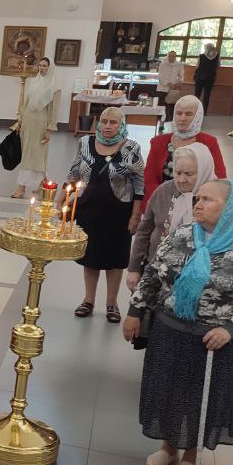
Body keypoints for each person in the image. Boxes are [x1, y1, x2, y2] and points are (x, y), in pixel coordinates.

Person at [123, 180, 233, 465]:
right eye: (199, 198)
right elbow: (153, 274)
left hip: (214, 341)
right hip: (171, 330)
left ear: (230, 208)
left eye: (209, 200)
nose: (199, 204)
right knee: (167, 390)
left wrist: (231, 329)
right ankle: (168, 446)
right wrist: (134, 311)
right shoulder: (181, 236)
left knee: (198, 398)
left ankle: (192, 455)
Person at [66, 106, 145, 323]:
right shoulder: (85, 143)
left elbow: (139, 184)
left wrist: (135, 215)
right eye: (104, 121)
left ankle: (112, 304)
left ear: (122, 125)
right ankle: (88, 300)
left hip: (119, 211)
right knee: (90, 258)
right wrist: (62, 200)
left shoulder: (131, 148)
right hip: (88, 208)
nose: (108, 126)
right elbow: (74, 173)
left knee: (114, 260)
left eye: (113, 122)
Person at [127, 143, 216, 292]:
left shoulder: (215, 198)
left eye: (188, 174)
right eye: (177, 172)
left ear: (203, 171)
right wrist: (134, 269)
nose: (181, 180)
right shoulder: (163, 191)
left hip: (198, 277)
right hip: (156, 269)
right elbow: (144, 231)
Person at [143, 95, 227, 202]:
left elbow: (219, 177)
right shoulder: (158, 142)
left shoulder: (209, 142)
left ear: (198, 116)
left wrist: (196, 202)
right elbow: (150, 176)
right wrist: (160, 199)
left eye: (189, 114)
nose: (182, 118)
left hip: (196, 202)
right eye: (179, 113)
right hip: (161, 199)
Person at [11, 57, 62, 198]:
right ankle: (37, 184)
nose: (42, 68)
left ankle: (24, 186)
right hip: (28, 123)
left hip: (41, 125)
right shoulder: (34, 82)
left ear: (50, 68)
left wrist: (50, 129)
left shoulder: (55, 86)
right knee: (27, 154)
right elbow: (25, 103)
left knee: (39, 156)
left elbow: (54, 110)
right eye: (40, 65)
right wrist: (20, 120)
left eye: (45, 66)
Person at [157, 49, 186, 118]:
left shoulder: (179, 64)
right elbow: (160, 76)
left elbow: (181, 75)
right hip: (162, 87)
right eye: (170, 56)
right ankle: (159, 119)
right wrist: (168, 83)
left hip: (173, 88)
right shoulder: (162, 64)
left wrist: (179, 82)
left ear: (175, 57)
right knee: (162, 105)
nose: (171, 58)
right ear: (168, 56)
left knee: (171, 105)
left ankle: (170, 120)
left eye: (173, 56)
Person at [193, 43, 220, 109]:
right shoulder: (217, 56)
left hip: (200, 77)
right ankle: (204, 111)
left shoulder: (201, 56)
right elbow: (218, 66)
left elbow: (197, 66)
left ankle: (195, 109)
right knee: (207, 96)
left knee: (197, 94)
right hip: (210, 78)